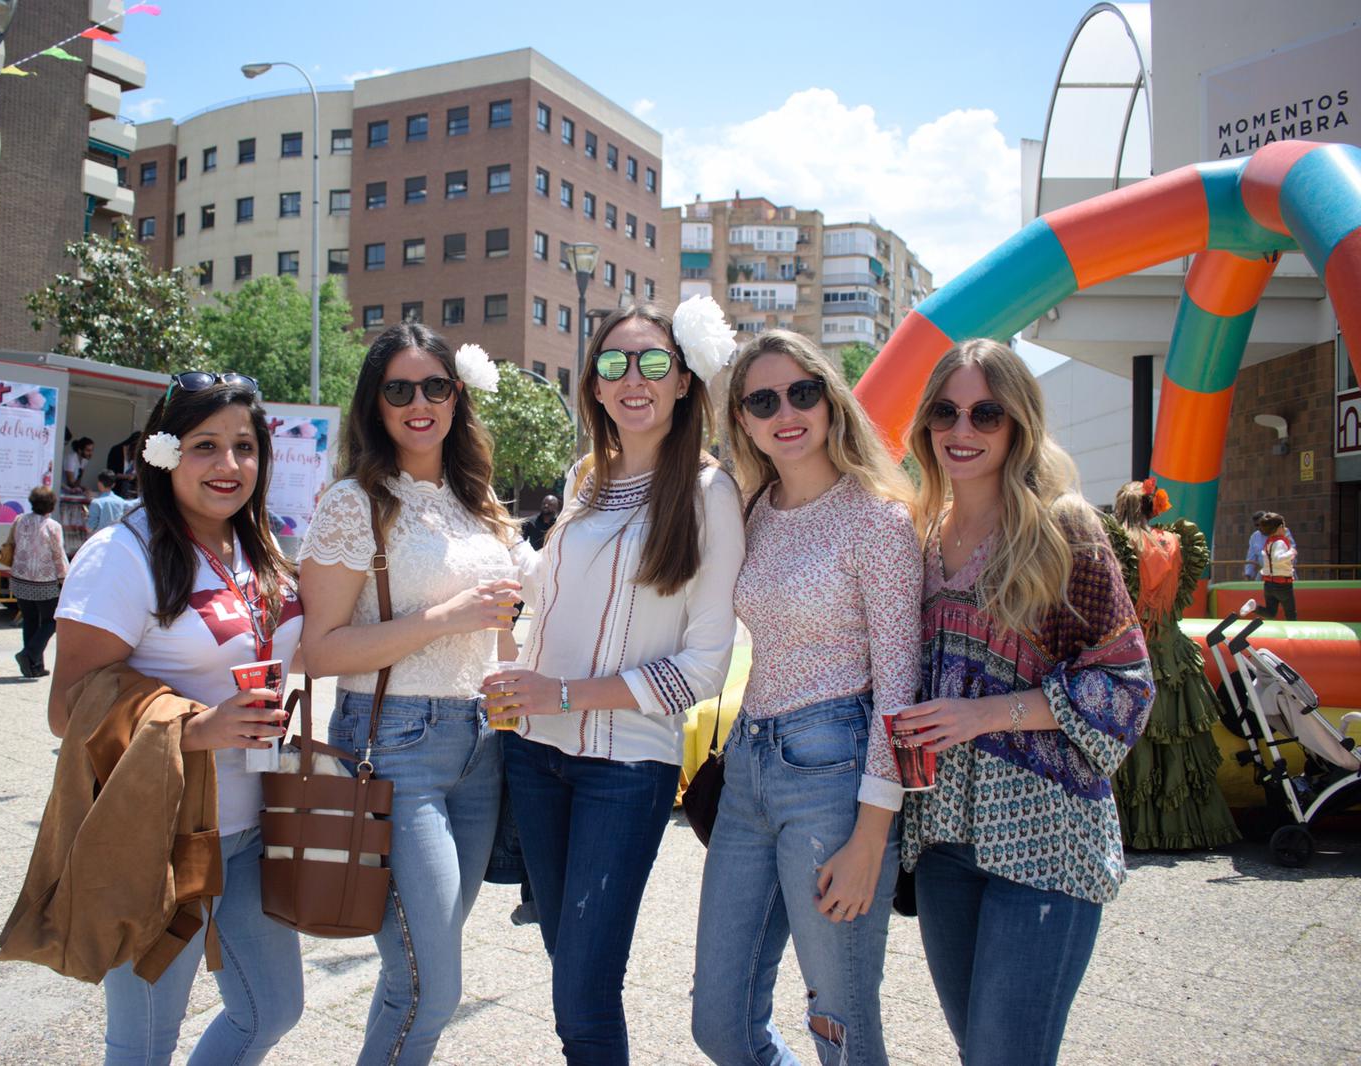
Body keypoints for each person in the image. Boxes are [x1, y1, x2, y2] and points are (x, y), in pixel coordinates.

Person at [484, 300, 746, 1064]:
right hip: (534, 756)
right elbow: (556, 591)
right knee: (570, 966)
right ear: (593, 386)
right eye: (614, 364)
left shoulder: (709, 496)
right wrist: (500, 574)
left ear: (684, 381)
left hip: (625, 769)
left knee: (586, 996)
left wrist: (563, 695)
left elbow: (704, 667)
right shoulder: (584, 480)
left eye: (654, 363)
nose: (634, 378)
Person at [894, 338, 1154, 1066]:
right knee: (980, 1051)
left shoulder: (1062, 529)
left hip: (1047, 834)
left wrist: (986, 714)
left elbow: (1128, 684)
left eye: (986, 412)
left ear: (1018, 425)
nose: (962, 430)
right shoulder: (918, 534)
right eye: (945, 411)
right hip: (944, 838)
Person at [48, 373, 306, 1064]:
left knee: (272, 1009)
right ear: (164, 454)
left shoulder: (260, 550)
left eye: (245, 447)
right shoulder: (121, 553)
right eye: (205, 446)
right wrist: (197, 727)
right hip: (158, 833)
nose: (229, 466)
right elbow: (67, 705)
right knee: (143, 1043)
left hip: (256, 827)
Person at [692, 330, 920, 1066]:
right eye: (763, 400)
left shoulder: (877, 520)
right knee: (719, 1025)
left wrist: (871, 838)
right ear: (744, 421)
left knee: (842, 1027)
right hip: (750, 769)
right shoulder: (752, 511)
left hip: (836, 779)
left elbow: (899, 687)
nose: (785, 411)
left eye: (802, 392)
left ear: (830, 399)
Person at [297, 324, 520, 1065]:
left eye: (435, 387)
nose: (418, 403)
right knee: (431, 986)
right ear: (375, 403)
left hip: (479, 748)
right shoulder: (353, 503)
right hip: (393, 747)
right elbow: (317, 648)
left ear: (457, 396)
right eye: (399, 389)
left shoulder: (472, 498)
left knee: (419, 970)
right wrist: (443, 620)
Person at [1105, 480, 1239, 850]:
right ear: (1154, 508)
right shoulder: (1178, 542)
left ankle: (1129, 829)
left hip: (1127, 652)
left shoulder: (1117, 545)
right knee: (1176, 741)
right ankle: (1181, 829)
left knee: (1132, 739)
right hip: (1172, 651)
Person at [9, 485, 70, 679]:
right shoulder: (53, 526)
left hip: (20, 577)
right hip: (44, 580)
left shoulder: (19, 520)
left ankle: (34, 665)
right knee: (51, 621)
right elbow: (58, 555)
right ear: (51, 505)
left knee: (30, 620)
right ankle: (29, 655)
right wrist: (64, 578)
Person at [1254, 511, 1298, 619]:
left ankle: (1255, 608)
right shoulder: (1280, 543)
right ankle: (1294, 633)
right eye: (1284, 526)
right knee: (1291, 613)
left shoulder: (1269, 542)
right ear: (1279, 528)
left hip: (1269, 584)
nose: (1285, 529)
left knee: (1270, 612)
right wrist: (1291, 552)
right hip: (1283, 584)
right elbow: (1278, 558)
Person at [1244, 510, 1297, 582]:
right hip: (1266, 573)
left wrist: (1291, 553)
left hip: (1284, 573)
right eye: (1257, 525)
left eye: (1262, 524)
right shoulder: (1255, 537)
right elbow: (1251, 557)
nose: (1259, 527)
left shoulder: (1282, 532)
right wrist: (1248, 573)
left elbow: (1288, 552)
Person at [86, 470, 130, 535]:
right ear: (113, 485)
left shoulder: (96, 503)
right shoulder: (121, 501)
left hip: (99, 540)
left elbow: (89, 529)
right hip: (115, 538)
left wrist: (86, 518)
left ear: (99, 484)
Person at [107, 432, 142, 499]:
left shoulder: (139, 456)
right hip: (116, 491)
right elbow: (110, 473)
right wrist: (126, 476)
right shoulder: (116, 451)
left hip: (133, 492)